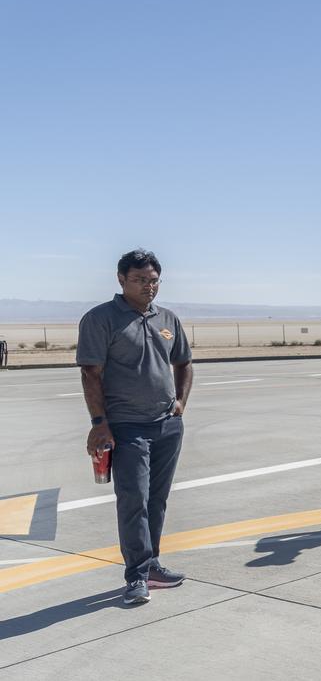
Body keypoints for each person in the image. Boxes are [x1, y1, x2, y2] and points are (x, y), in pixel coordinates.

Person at [76, 249, 193, 606]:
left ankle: (152, 564)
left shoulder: (168, 319)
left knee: (156, 500)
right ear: (121, 280)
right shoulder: (101, 319)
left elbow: (184, 363)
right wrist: (99, 423)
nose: (149, 287)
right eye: (140, 279)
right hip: (126, 427)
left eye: (154, 280)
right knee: (133, 502)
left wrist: (180, 404)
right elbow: (90, 372)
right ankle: (137, 576)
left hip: (166, 426)